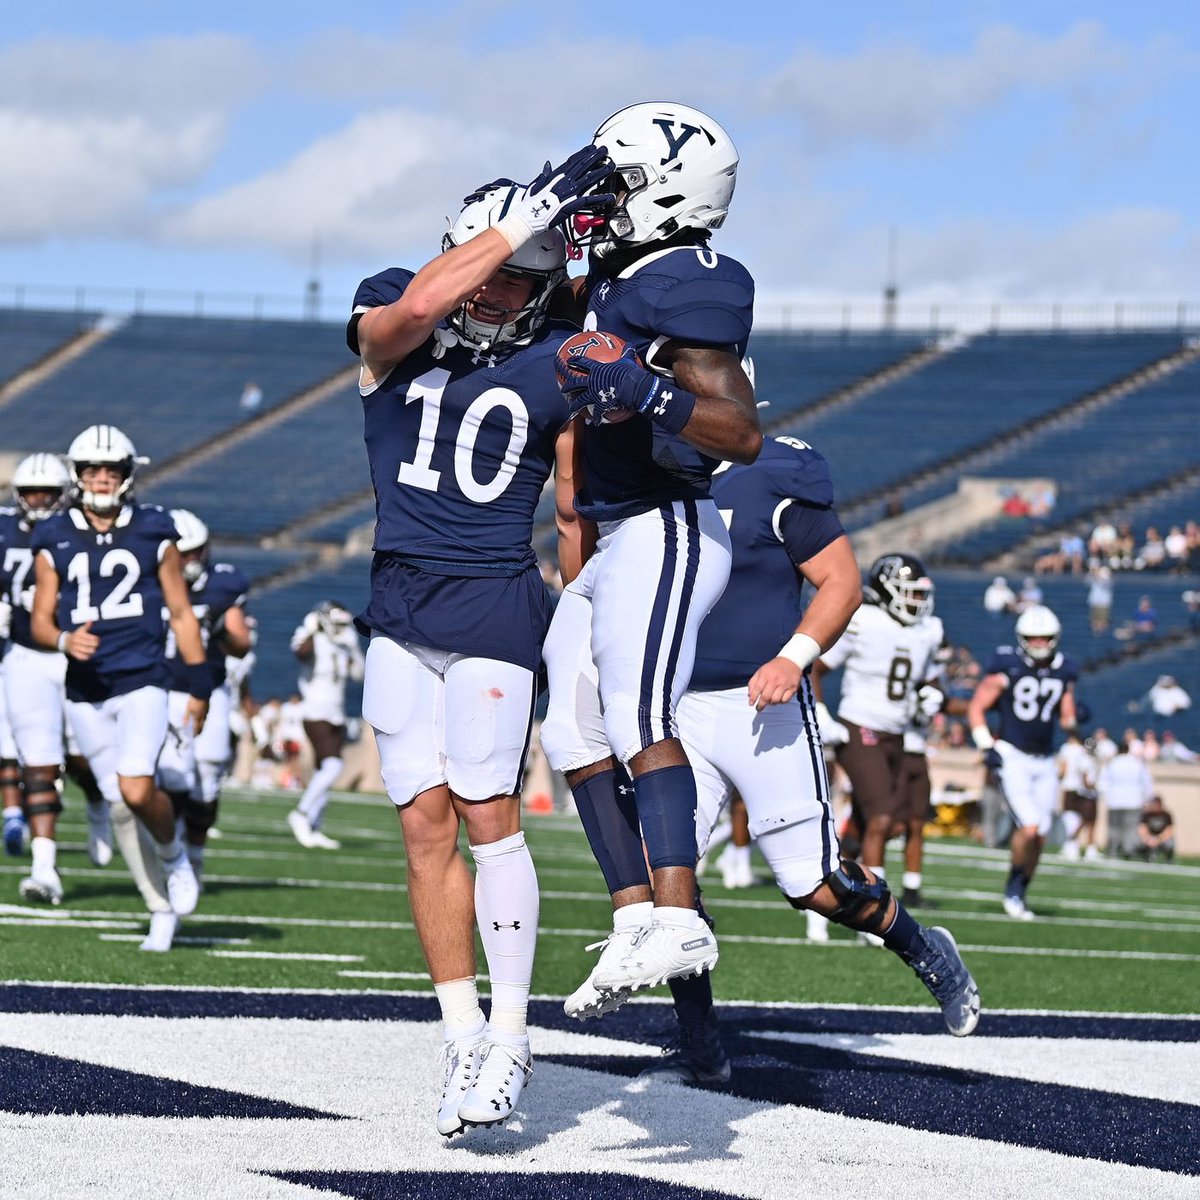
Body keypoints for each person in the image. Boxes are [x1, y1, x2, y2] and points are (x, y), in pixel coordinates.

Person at [347, 150, 607, 1137]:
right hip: (400, 605)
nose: (504, 296)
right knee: (420, 825)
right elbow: (406, 318)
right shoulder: (394, 305)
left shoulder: (558, 350)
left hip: (496, 603)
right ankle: (458, 1031)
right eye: (493, 273)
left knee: (486, 809)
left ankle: (510, 1040)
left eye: (523, 283)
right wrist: (517, 226)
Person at [639, 438, 979, 1082]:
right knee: (667, 882)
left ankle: (925, 948)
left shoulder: (769, 475)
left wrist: (793, 657)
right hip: (676, 704)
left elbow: (842, 581)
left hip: (760, 700)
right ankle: (699, 1035)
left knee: (814, 887)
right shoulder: (642, 474)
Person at [539, 102, 762, 1013]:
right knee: (571, 731)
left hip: (668, 520)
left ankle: (678, 914)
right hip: (616, 529)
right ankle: (636, 920)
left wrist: (640, 386)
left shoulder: (687, 280)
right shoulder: (616, 281)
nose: (599, 201)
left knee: (635, 715)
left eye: (615, 183)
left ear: (668, 195)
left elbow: (740, 433)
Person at [29, 426, 209, 948]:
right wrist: (63, 639)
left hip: (142, 677)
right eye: (92, 469)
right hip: (85, 685)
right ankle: (159, 907)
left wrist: (197, 685)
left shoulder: (155, 528)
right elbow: (40, 618)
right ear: (76, 473)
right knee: (116, 800)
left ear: (128, 475)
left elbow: (180, 611)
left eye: (112, 470)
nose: (102, 479)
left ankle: (174, 855)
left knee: (135, 786)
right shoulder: (54, 534)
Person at [810, 554, 944, 912]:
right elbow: (813, 668)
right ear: (888, 591)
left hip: (897, 734)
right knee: (882, 817)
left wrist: (934, 693)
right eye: (909, 593)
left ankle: (833, 878)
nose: (917, 601)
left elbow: (929, 679)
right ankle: (874, 906)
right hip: (860, 727)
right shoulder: (864, 621)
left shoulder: (927, 631)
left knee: (877, 820)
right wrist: (821, 713)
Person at [155, 509, 253, 881]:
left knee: (210, 768)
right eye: (186, 552)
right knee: (175, 775)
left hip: (208, 686)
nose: (194, 559)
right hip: (164, 689)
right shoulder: (148, 582)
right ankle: (174, 850)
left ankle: (194, 853)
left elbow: (241, 645)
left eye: (199, 550)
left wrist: (219, 630)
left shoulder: (222, 583)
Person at [967, 605, 1078, 919]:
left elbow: (1067, 714)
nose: (1040, 644)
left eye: (1045, 638)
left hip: (1045, 759)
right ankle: (1013, 888)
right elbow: (976, 708)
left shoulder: (1065, 669)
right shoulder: (1007, 665)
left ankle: (1022, 888)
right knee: (1029, 827)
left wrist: (1075, 724)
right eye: (1034, 638)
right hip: (1013, 754)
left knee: (1041, 833)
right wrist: (986, 745)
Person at [285, 600, 364, 851]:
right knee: (333, 766)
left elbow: (359, 675)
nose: (341, 628)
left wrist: (353, 648)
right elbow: (300, 652)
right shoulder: (312, 637)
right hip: (315, 711)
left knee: (325, 771)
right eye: (337, 623)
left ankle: (314, 825)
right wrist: (310, 629)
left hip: (336, 714)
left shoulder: (343, 645)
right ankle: (301, 813)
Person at [1096, 741, 1153, 857]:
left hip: (1115, 801)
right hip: (1134, 801)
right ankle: (1129, 850)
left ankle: (1113, 851)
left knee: (1114, 828)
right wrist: (1147, 798)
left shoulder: (1112, 763)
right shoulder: (1137, 763)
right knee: (1131, 829)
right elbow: (1146, 782)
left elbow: (1102, 782)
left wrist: (1106, 796)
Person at [1057, 728, 1098, 860]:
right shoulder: (1082, 753)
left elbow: (1064, 769)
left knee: (1078, 818)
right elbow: (1085, 776)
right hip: (1082, 790)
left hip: (1072, 788)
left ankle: (1073, 843)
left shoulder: (1068, 749)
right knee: (1084, 819)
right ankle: (1073, 843)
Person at [1136, 795, 1176, 862]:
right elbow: (1142, 829)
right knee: (1137, 841)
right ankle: (1146, 857)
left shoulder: (1166, 815)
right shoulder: (1147, 814)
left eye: (1157, 804)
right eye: (1154, 804)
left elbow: (1169, 830)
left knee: (1170, 843)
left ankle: (1169, 860)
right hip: (1150, 837)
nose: (1156, 806)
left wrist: (1158, 839)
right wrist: (1148, 838)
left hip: (1162, 838)